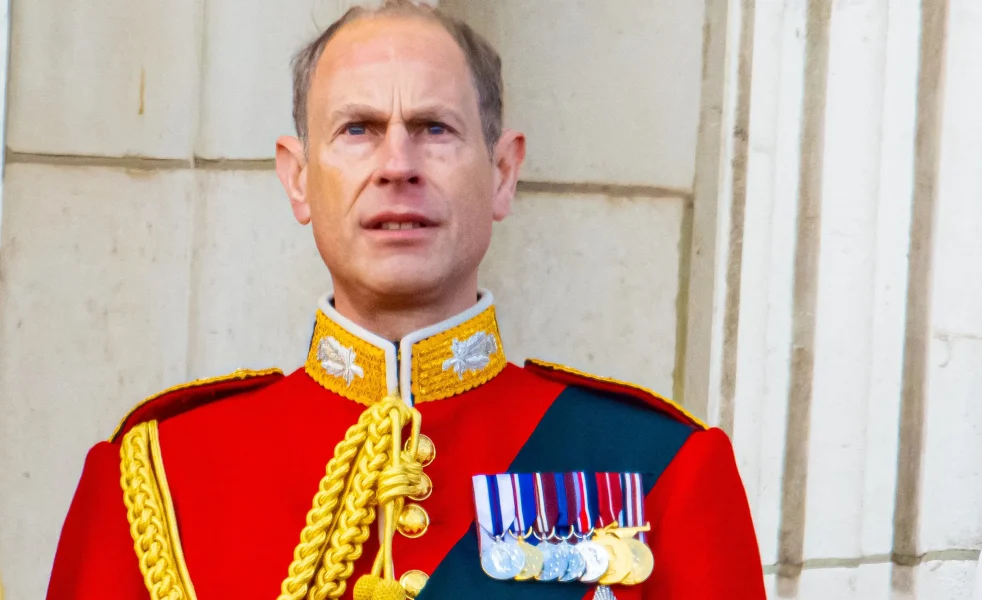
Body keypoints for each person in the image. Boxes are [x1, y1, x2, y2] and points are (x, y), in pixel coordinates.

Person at [46, 2, 766, 599]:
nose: (397, 165)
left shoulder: (658, 471)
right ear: (297, 178)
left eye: (435, 129)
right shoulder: (157, 476)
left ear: (504, 173)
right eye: (357, 129)